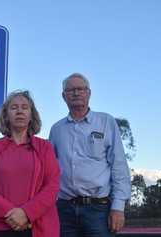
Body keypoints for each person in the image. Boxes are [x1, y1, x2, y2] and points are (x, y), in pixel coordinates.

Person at [49, 73, 131, 237]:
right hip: (64, 210)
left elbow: (119, 165)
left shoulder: (106, 122)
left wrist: (118, 207)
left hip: (99, 210)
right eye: (70, 90)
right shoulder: (56, 129)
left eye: (81, 89)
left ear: (89, 93)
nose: (76, 93)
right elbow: (49, 170)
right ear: (63, 96)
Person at [0, 91, 60, 237]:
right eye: (14, 107)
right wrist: (11, 214)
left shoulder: (45, 147)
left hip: (35, 227)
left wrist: (26, 213)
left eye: (25, 107)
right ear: (6, 115)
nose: (19, 111)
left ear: (31, 115)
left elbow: (52, 185)